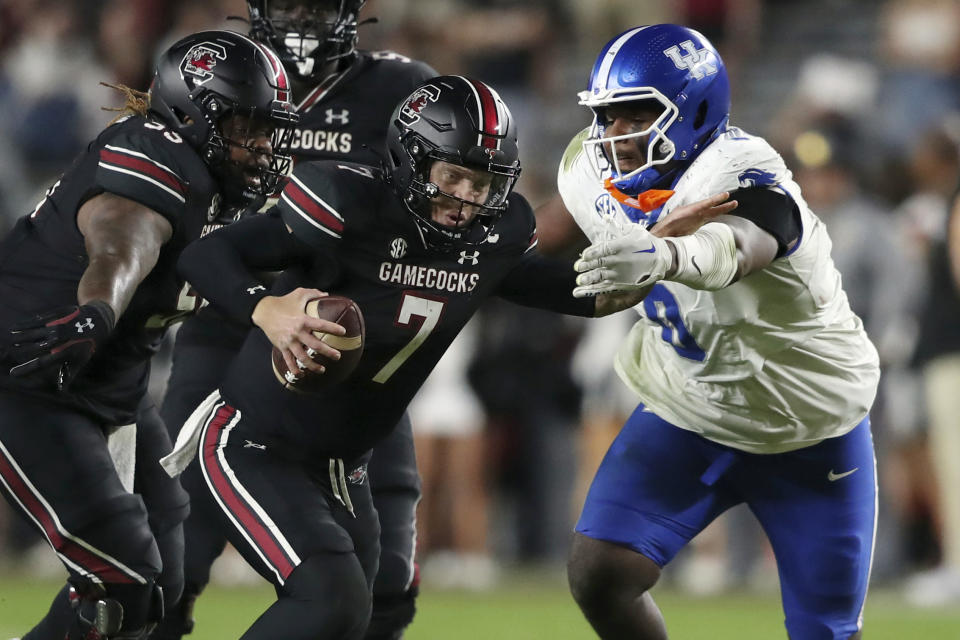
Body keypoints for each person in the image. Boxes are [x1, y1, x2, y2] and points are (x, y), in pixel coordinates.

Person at [162, 74, 734, 639]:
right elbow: (206, 255)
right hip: (256, 440)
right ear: (411, 161)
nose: (465, 198)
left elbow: (584, 296)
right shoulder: (350, 205)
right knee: (328, 599)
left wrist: (660, 253)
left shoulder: (492, 242)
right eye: (452, 176)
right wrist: (267, 309)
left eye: (482, 183)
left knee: (357, 615)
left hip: (343, 463)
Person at [559, 25, 880, 640]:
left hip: (808, 427)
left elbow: (747, 238)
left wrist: (664, 257)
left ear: (694, 108)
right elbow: (546, 233)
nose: (616, 135)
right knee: (599, 573)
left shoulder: (741, 171)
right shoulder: (586, 169)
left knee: (826, 632)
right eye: (607, 116)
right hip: (690, 408)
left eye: (636, 115)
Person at [152, 3, 437, 639]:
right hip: (229, 324)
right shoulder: (214, 70)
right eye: (288, 1)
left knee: (384, 577)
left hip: (350, 344)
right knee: (170, 557)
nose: (302, 17)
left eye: (317, 1)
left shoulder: (404, 91)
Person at [0, 29, 297, 640]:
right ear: (191, 114)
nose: (262, 144)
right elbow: (122, 240)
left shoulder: (221, 184)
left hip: (111, 387)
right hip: (31, 371)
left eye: (269, 127)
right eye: (246, 126)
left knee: (162, 588)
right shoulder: (154, 154)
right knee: (122, 583)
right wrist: (96, 313)